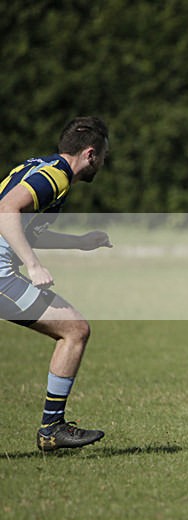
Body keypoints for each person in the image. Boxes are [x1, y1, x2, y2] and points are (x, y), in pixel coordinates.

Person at [0, 116, 112, 452]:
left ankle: (52, 428)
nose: (103, 164)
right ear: (90, 154)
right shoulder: (56, 177)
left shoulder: (42, 167)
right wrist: (33, 266)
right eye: (104, 156)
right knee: (74, 330)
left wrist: (79, 242)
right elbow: (6, 210)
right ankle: (51, 429)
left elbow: (25, 229)